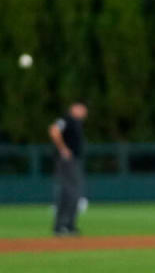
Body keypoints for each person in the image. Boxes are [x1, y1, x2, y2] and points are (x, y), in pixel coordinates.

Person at [47, 101, 88, 237]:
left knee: (75, 192)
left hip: (74, 161)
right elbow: (54, 130)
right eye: (82, 109)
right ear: (74, 108)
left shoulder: (76, 122)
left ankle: (69, 225)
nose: (84, 112)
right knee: (68, 191)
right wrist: (63, 149)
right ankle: (61, 226)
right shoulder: (66, 119)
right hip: (67, 161)